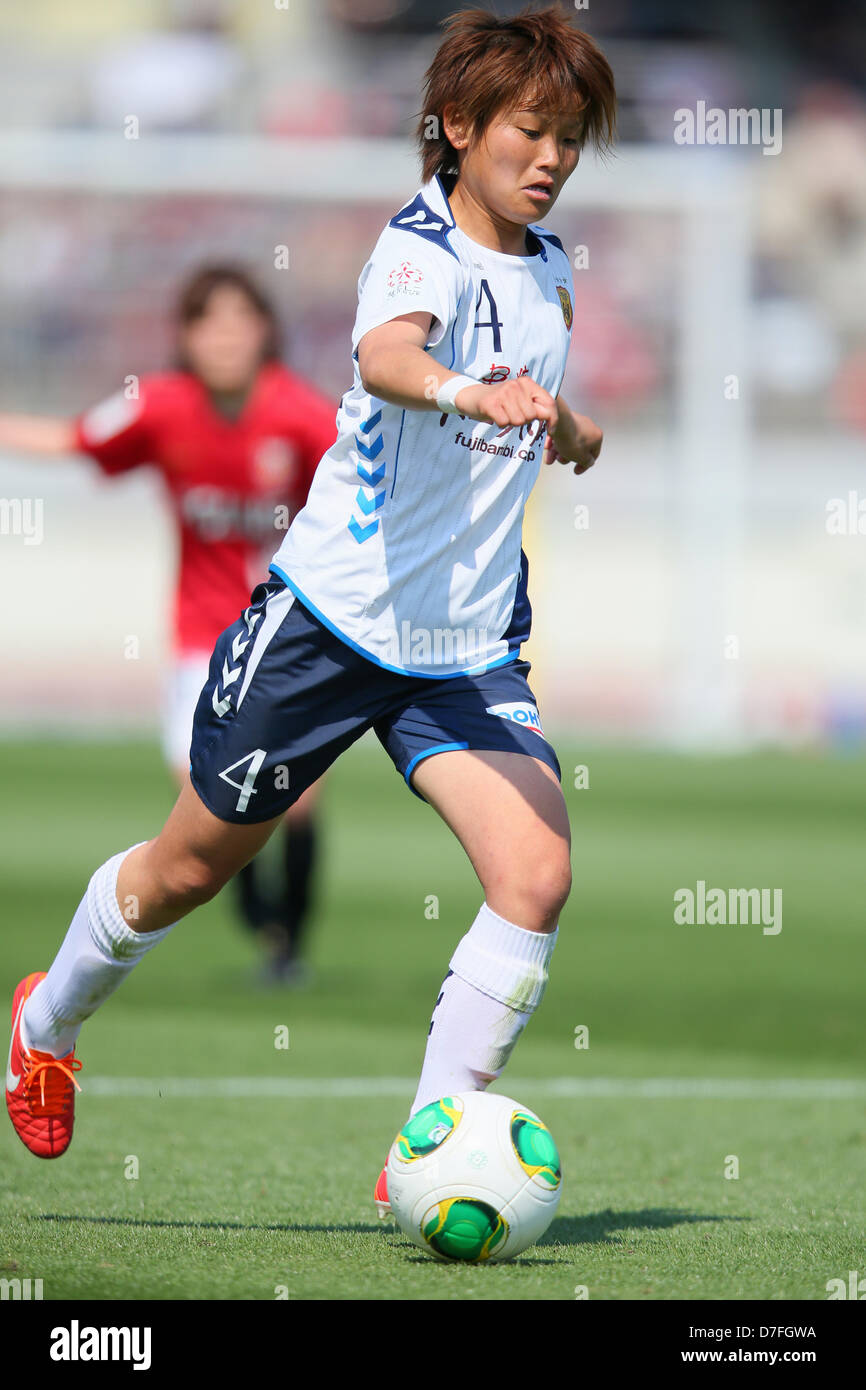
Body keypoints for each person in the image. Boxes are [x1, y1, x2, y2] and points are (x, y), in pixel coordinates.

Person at [6, 4, 615, 1226]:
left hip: (464, 651)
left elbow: (530, 396)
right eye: (529, 132)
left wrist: (568, 423)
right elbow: (393, 354)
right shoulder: (416, 245)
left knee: (536, 873)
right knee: (186, 870)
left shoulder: (549, 267)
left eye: (569, 139)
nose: (550, 158)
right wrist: (462, 388)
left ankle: (421, 1150)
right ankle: (43, 1022)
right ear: (454, 129)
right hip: (329, 628)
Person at [0, 266, 336, 981]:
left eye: (240, 323)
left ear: (264, 333)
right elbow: (76, 439)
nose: (225, 340)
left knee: (299, 794)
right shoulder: (159, 407)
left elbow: (362, 485)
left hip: (292, 631)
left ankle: (289, 949)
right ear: (186, 335)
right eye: (209, 324)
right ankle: (254, 912)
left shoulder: (303, 416)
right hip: (201, 643)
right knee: (207, 796)